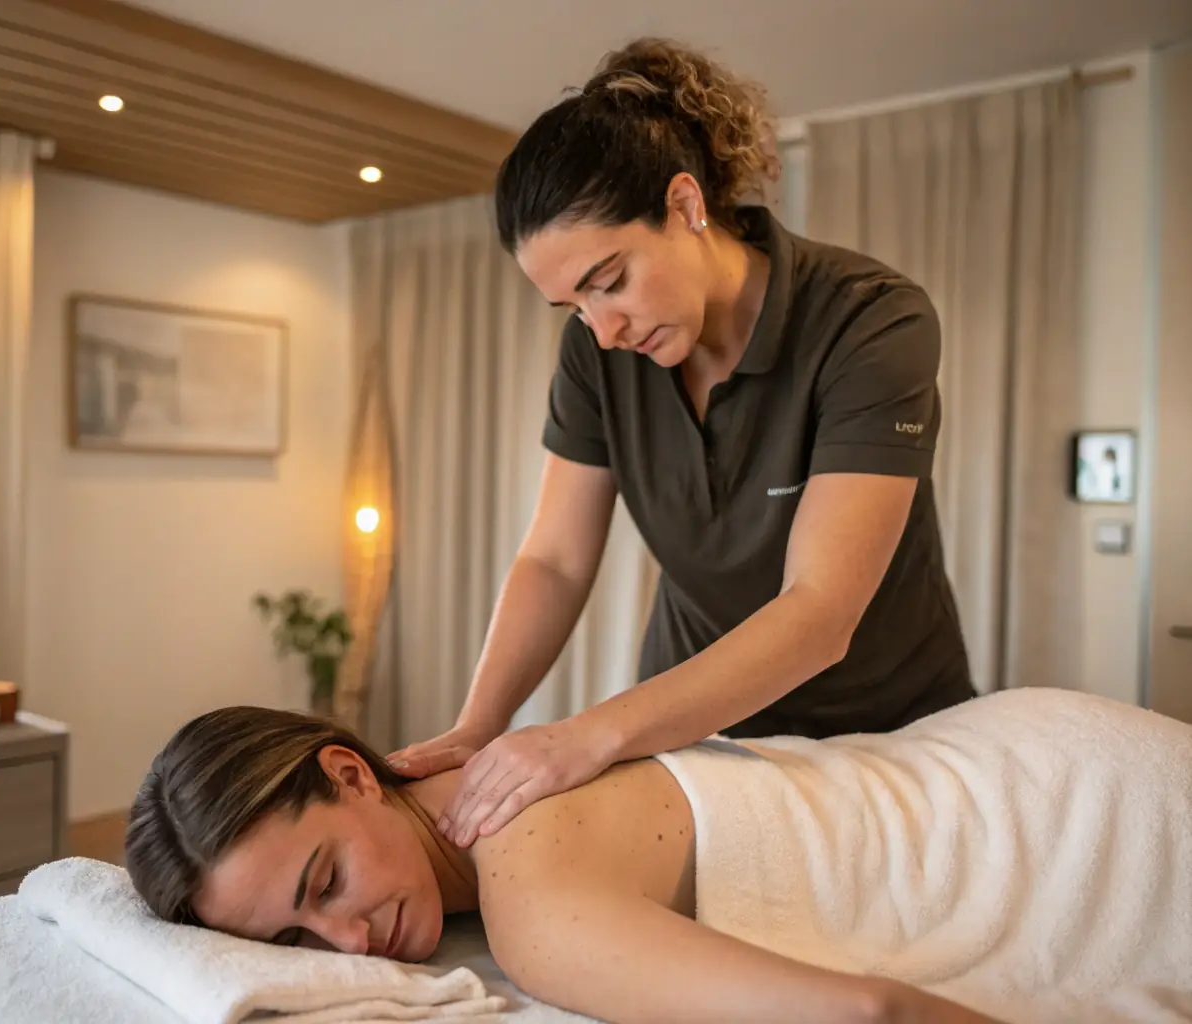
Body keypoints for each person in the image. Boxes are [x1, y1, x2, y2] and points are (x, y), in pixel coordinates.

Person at [388, 36, 976, 848]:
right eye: (574, 308)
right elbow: (554, 559)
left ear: (686, 204)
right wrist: (477, 725)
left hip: (883, 728)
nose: (603, 330)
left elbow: (818, 610)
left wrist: (584, 734)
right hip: (694, 730)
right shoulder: (599, 358)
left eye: (608, 282)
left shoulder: (869, 320)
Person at [124, 687, 1192, 1024]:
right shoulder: (499, 763)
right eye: (294, 935)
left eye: (326, 883)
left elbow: (870, 1017)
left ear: (352, 771)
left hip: (1068, 832)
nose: (348, 940)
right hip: (1003, 747)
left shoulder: (534, 900)